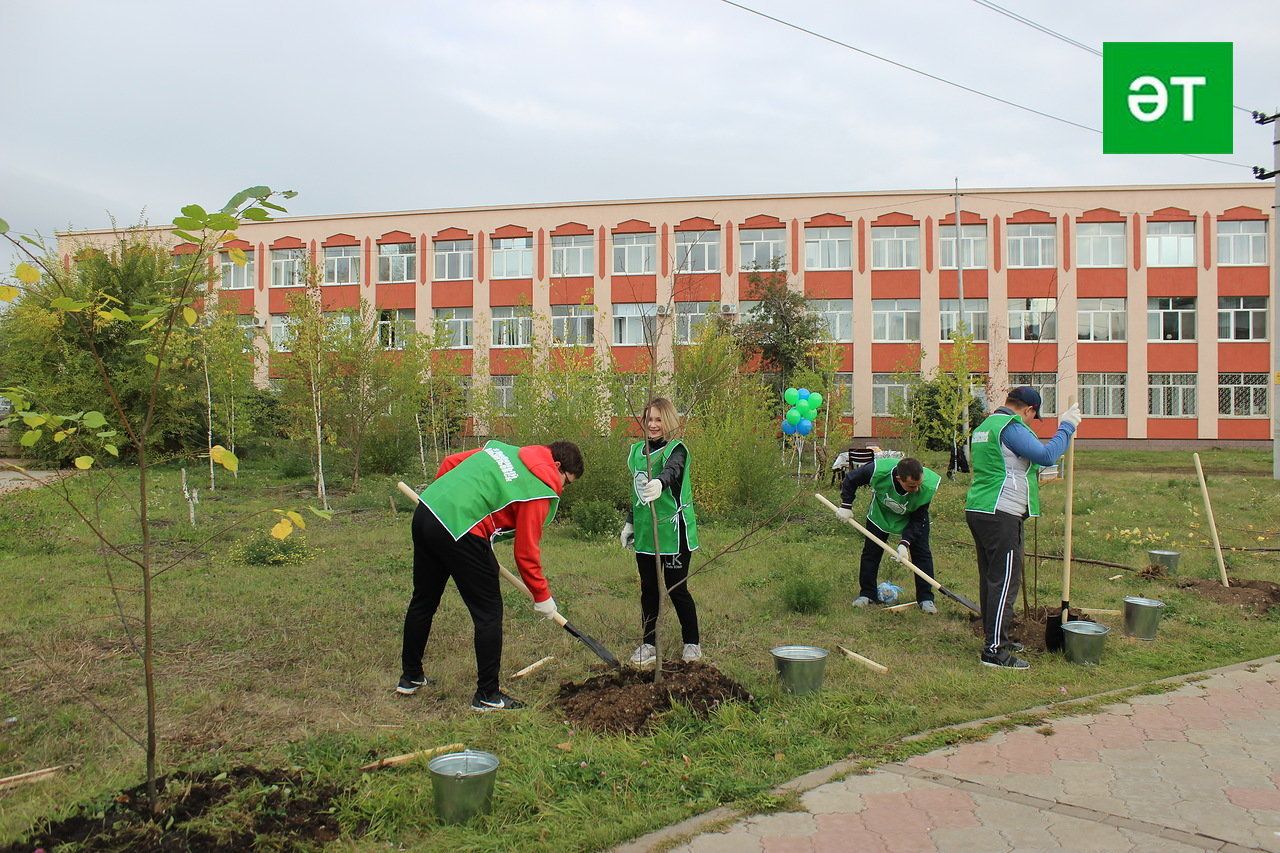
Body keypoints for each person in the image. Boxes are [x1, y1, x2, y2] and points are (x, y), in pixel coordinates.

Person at [397, 439, 584, 710]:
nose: (563, 489)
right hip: (462, 529)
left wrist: (446, 506)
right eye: (567, 482)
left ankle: (410, 676)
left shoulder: (504, 451)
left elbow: (450, 463)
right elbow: (526, 553)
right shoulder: (538, 488)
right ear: (556, 466)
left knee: (424, 600)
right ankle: (487, 695)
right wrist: (543, 597)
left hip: (429, 511)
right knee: (489, 613)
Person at [966, 387, 1081, 670]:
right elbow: (1046, 455)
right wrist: (1066, 426)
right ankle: (995, 651)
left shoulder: (985, 426)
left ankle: (995, 636)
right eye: (1033, 416)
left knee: (992, 579)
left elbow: (1004, 465)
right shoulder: (1010, 426)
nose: (1031, 421)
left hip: (980, 507)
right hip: (1001, 511)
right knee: (1005, 582)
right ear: (1028, 410)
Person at [619, 397, 701, 666]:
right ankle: (648, 643)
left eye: (658, 419)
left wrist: (659, 482)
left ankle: (691, 643)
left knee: (677, 588)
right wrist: (630, 522)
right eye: (649, 419)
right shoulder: (634, 452)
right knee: (649, 589)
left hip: (673, 533)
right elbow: (636, 493)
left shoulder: (677, 449)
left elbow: (672, 471)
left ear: (668, 421)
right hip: (645, 534)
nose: (653, 425)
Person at [837, 456, 942, 613]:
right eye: (912, 486)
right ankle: (867, 594)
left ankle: (926, 598)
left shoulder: (927, 486)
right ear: (899, 479)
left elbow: (918, 518)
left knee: (922, 554)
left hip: (913, 516)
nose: (917, 489)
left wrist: (904, 543)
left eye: (919, 484)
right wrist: (846, 505)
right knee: (871, 553)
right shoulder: (878, 470)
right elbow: (851, 479)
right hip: (881, 514)